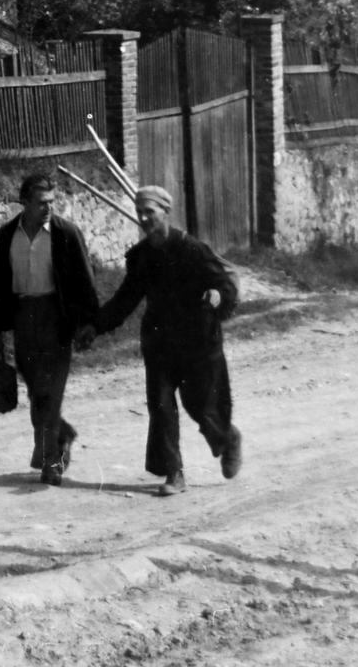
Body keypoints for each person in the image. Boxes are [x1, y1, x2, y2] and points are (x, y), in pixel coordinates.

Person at [76, 184, 243, 496]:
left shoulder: (191, 248)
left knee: (201, 405)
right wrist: (95, 326)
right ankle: (174, 473)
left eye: (149, 212)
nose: (143, 218)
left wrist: (219, 294)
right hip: (161, 341)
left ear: (166, 213)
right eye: (140, 212)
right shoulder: (141, 257)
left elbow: (223, 282)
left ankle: (227, 438)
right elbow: (125, 300)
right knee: (161, 405)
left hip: (197, 338)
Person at [0, 172, 101, 486]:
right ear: (25, 203)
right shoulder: (7, 235)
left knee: (50, 392)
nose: (48, 208)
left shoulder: (66, 233)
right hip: (22, 318)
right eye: (41, 203)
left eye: (51, 202)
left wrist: (90, 325)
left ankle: (51, 463)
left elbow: (85, 281)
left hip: (57, 320)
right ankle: (61, 435)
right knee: (36, 393)